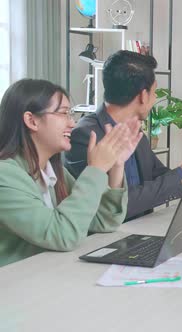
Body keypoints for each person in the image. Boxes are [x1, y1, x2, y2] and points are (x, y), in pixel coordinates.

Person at [65, 51, 182, 220]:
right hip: (103, 239)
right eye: (155, 92)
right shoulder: (86, 136)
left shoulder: (135, 132)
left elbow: (158, 179)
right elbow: (119, 204)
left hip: (142, 230)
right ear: (143, 95)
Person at [0, 79, 141, 267]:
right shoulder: (5, 175)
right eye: (64, 113)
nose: (72, 123)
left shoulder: (55, 172)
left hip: (48, 275)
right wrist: (96, 169)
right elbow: (63, 235)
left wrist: (116, 166)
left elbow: (104, 222)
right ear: (31, 120)